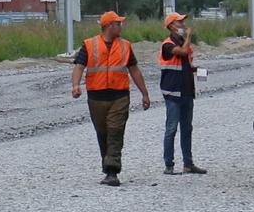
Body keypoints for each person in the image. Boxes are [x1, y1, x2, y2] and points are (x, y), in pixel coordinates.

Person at [71, 10, 152, 186]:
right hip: (96, 98)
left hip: (120, 96)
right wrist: (76, 85)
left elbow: (135, 70)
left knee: (115, 131)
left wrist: (144, 93)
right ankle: (107, 166)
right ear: (108, 26)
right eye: (118, 23)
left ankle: (112, 171)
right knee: (103, 133)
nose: (121, 26)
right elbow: (79, 66)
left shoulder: (125, 46)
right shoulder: (89, 45)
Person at [158, 12, 206, 175]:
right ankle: (169, 165)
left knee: (187, 128)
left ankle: (188, 164)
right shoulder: (168, 44)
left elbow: (185, 63)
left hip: (186, 91)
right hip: (173, 92)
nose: (183, 26)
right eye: (180, 22)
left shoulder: (181, 42)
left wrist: (199, 72)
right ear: (171, 26)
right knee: (171, 128)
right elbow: (183, 52)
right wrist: (189, 36)